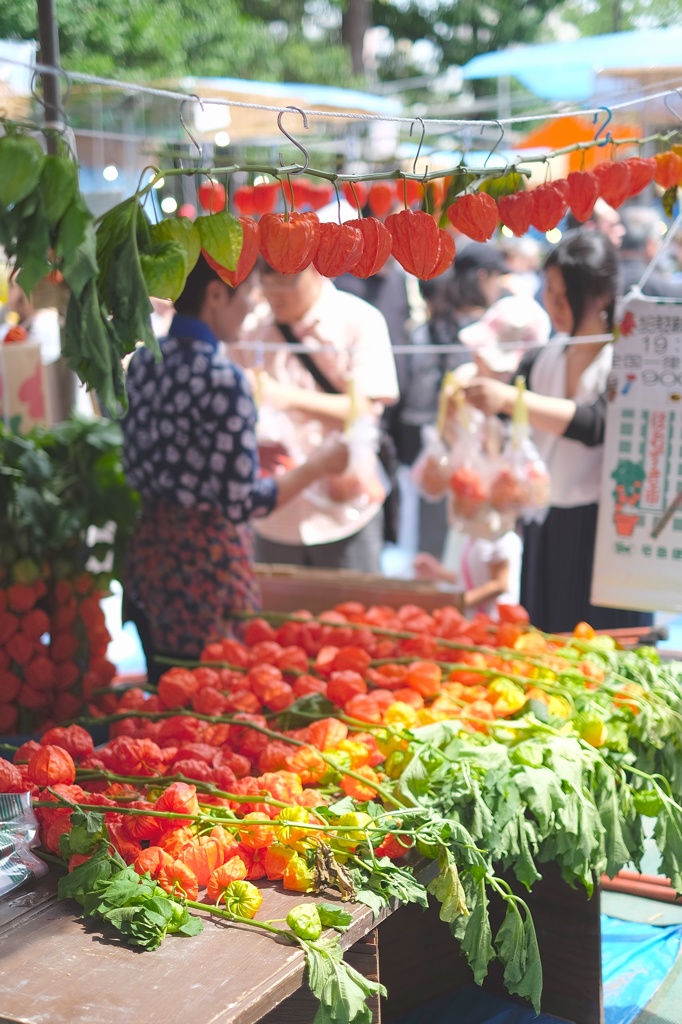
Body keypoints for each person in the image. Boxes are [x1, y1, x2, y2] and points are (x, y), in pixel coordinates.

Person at [121, 256, 349, 680]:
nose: (249, 307)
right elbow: (244, 501)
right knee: (207, 705)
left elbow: (172, 452)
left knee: (162, 695)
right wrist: (317, 466)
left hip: (151, 563)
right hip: (205, 575)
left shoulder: (143, 362)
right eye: (244, 295)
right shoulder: (225, 379)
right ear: (214, 295)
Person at [462, 228, 652, 634]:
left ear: (601, 294)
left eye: (565, 296)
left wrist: (509, 400)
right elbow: (507, 415)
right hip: (544, 521)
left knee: (603, 645)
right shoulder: (546, 354)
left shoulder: (625, 357)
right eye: (549, 292)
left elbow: (595, 423)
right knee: (548, 637)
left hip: (608, 527)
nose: (554, 305)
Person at [230, 261, 399, 573]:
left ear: (317, 271)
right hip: (274, 513)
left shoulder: (359, 320)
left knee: (352, 615)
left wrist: (283, 397)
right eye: (266, 281)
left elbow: (365, 410)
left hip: (346, 511)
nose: (275, 293)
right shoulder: (249, 328)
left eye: (287, 281)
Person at [618, 205, 682, 298]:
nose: (660, 246)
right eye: (658, 241)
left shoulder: (604, 275)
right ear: (650, 245)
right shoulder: (651, 283)